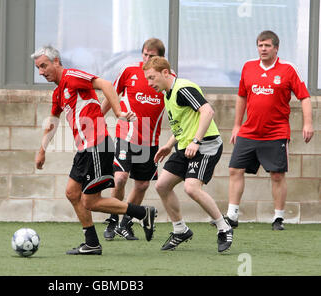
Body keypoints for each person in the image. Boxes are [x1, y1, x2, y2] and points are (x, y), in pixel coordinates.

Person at [32, 45, 157, 255]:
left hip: (97, 146)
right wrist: (42, 149)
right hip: (85, 150)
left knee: (90, 201)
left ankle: (143, 213)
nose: (41, 72)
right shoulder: (58, 92)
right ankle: (91, 243)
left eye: (44, 66)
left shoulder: (72, 76)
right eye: (38, 68)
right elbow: (53, 120)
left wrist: (118, 112)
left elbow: (106, 84)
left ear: (56, 62)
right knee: (72, 193)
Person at [143, 56, 233, 253]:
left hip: (206, 145)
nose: (149, 84)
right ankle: (180, 230)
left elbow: (208, 111)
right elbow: (183, 126)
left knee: (192, 188)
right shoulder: (168, 95)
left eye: (152, 78)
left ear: (165, 73)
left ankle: (224, 227)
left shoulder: (183, 88)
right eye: (147, 79)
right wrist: (168, 145)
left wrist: (196, 141)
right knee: (162, 185)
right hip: (185, 147)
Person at [226, 30, 313, 230]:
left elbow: (305, 97)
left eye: (267, 46)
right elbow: (241, 96)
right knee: (234, 169)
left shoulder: (288, 69)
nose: (263, 49)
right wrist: (237, 125)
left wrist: (307, 123)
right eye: (260, 45)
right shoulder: (248, 67)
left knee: (277, 174)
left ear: (276, 48)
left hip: (276, 132)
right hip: (249, 132)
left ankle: (278, 218)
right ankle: (232, 215)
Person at [101, 38, 166, 241]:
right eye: (145, 54)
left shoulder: (167, 79)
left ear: (160, 57)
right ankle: (112, 219)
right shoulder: (130, 72)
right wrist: (97, 120)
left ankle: (125, 223)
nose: (147, 59)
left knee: (142, 185)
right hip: (126, 134)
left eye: (152, 55)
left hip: (150, 139)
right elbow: (111, 95)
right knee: (120, 178)